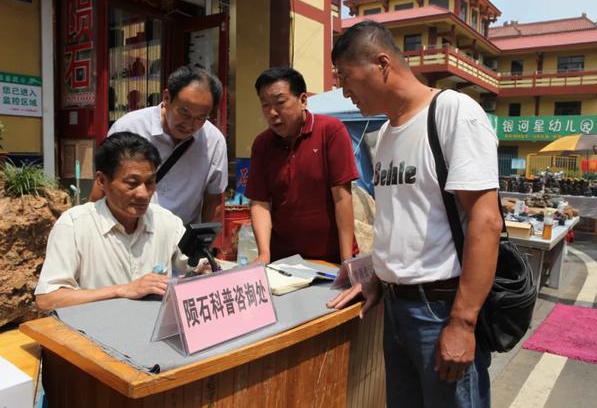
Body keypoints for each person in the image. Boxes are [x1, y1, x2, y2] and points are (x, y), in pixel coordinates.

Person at [327, 21, 503, 408]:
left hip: (441, 308)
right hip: (396, 309)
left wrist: (462, 322)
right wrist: (378, 275)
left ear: (382, 63)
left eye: (346, 76)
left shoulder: (453, 112)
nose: (344, 90)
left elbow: (486, 222)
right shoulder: (387, 134)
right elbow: (400, 222)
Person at [35, 132, 199, 310]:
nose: (143, 194)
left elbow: (195, 266)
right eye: (132, 183)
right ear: (102, 181)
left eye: (150, 182)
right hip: (92, 333)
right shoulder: (74, 225)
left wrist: (204, 270)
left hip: (153, 332)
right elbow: (48, 298)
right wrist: (122, 290)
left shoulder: (166, 222)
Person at [245, 67, 359, 264]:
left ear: (303, 100)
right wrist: (264, 254)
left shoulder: (331, 131)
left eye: (280, 103)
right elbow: (260, 202)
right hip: (283, 261)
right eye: (265, 105)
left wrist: (346, 259)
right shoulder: (262, 144)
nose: (272, 113)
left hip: (331, 258)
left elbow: (342, 198)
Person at [90, 66, 228, 225]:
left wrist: (202, 244)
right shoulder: (130, 128)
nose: (190, 124)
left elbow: (213, 200)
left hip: (180, 241)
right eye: (184, 113)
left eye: (201, 118)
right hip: (126, 235)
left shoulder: (214, 141)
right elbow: (102, 188)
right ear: (167, 97)